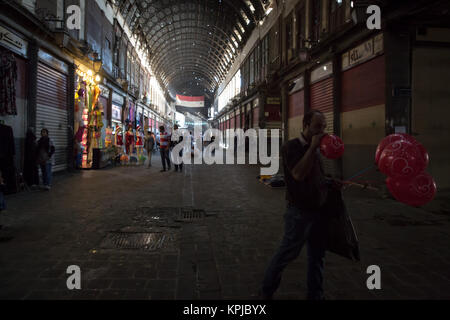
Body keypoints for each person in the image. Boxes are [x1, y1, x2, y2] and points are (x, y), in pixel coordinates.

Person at [260, 109, 341, 300]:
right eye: (317, 127)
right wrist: (312, 149)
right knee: (286, 254)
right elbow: (298, 174)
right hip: (299, 213)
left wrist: (330, 183)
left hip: (320, 211)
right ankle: (266, 291)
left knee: (317, 257)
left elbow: (315, 177)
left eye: (324, 127)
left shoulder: (318, 147)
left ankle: (315, 295)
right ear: (306, 125)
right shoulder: (291, 147)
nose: (322, 132)